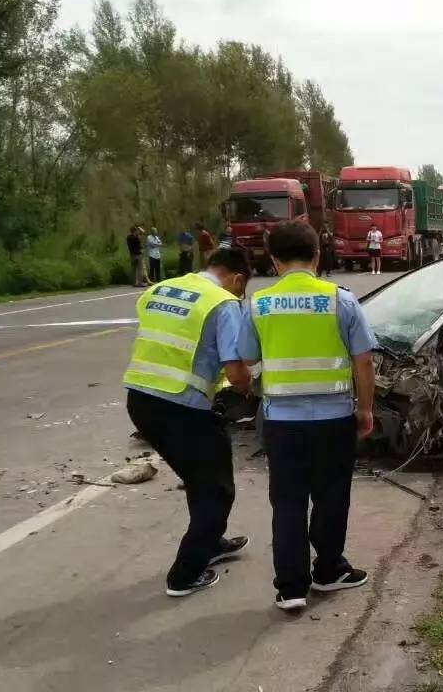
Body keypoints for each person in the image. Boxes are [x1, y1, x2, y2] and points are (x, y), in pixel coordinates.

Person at [238, 222, 377, 611]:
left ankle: (291, 588)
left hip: (281, 421)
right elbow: (363, 361)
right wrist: (365, 409)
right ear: (318, 254)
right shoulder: (341, 300)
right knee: (332, 496)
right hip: (334, 418)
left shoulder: (259, 304)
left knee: (288, 502)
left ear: (273, 258)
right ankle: (329, 571)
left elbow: (246, 359)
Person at [124, 245, 253, 597]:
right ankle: (185, 574)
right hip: (181, 406)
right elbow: (234, 368)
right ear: (237, 279)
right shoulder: (223, 303)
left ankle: (210, 542)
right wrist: (247, 385)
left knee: (199, 478)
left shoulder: (160, 289)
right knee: (217, 489)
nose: (240, 296)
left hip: (140, 400)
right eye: (242, 290)